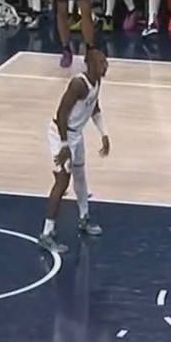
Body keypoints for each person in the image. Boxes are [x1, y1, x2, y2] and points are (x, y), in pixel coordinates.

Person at [38, 47, 110, 254]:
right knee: (62, 182)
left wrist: (104, 133)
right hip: (61, 133)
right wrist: (64, 146)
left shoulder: (96, 81)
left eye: (105, 61)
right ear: (90, 65)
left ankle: (84, 217)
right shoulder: (78, 84)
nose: (105, 65)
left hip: (76, 134)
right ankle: (46, 233)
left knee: (80, 174)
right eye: (101, 62)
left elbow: (94, 106)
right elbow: (61, 114)